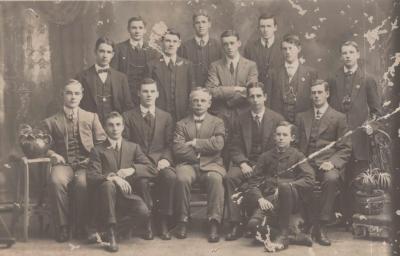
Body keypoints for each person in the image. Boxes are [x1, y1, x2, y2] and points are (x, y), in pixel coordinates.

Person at [41, 79, 106, 242]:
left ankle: (82, 225)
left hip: (85, 164)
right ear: (62, 95)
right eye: (69, 93)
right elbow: (42, 146)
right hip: (64, 164)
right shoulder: (50, 121)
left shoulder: (91, 117)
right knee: (56, 180)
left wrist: (92, 158)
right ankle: (63, 226)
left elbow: (102, 144)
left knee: (83, 184)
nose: (73, 97)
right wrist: (52, 154)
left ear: (82, 95)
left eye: (77, 93)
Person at [87, 111, 157, 252]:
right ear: (105, 128)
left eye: (118, 124)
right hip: (105, 197)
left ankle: (113, 231)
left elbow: (152, 169)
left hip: (127, 195)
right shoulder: (97, 150)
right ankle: (112, 234)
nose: (115, 128)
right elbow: (92, 176)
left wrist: (132, 169)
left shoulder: (133, 147)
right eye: (111, 125)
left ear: (123, 127)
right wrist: (113, 177)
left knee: (143, 212)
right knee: (108, 185)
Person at [224, 82, 284, 241]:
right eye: (252, 96)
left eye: (259, 96)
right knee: (231, 177)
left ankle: (264, 221)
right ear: (247, 98)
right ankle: (235, 223)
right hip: (246, 163)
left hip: (269, 165)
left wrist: (262, 164)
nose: (255, 100)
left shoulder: (276, 118)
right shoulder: (239, 119)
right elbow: (234, 146)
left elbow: (281, 146)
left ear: (265, 97)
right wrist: (243, 163)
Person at [296, 79, 352, 246]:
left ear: (327, 94)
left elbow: (346, 147)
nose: (316, 96)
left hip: (327, 164)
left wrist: (332, 163)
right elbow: (295, 144)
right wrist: (300, 161)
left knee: (331, 179)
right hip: (305, 163)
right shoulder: (301, 117)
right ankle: (306, 221)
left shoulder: (339, 117)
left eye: (320, 92)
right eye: (313, 92)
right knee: (298, 178)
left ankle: (321, 225)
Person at [244, 121, 314, 251]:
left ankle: (283, 236)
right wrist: (260, 198)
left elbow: (310, 178)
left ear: (292, 138)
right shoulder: (265, 156)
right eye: (278, 134)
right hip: (269, 200)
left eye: (285, 135)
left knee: (284, 187)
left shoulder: (297, 155)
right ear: (274, 137)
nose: (281, 137)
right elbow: (253, 182)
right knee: (252, 226)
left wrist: (288, 185)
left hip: (291, 201)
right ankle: (290, 237)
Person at [122, 78, 176, 240]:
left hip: (159, 163)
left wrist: (165, 159)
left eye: (152, 91)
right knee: (142, 182)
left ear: (157, 94)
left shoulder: (166, 117)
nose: (149, 95)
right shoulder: (128, 116)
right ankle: (148, 222)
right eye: (145, 91)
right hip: (138, 164)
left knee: (170, 176)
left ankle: (163, 220)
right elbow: (126, 144)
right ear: (138, 93)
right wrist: (136, 164)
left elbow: (169, 144)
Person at [173, 87, 226, 243]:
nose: (199, 104)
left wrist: (195, 143)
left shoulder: (218, 122)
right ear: (190, 103)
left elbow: (218, 145)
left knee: (215, 179)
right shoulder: (181, 124)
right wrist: (200, 154)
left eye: (203, 100)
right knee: (182, 178)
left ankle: (214, 222)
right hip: (188, 165)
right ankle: (182, 220)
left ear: (209, 103)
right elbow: (178, 149)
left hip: (212, 165)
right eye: (195, 100)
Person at [328, 41, 381, 180]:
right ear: (341, 56)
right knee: (338, 181)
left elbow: (377, 111)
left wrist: (371, 126)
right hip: (337, 139)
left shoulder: (368, 79)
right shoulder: (333, 79)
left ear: (358, 54)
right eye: (344, 53)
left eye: (351, 52)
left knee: (359, 181)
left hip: (359, 139)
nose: (348, 56)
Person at [205, 29, 258, 165]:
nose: (229, 47)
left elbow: (250, 91)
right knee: (221, 150)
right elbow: (210, 91)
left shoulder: (251, 66)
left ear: (239, 43)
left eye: (232, 43)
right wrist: (235, 89)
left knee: (243, 147)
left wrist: (226, 97)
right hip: (221, 115)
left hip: (244, 114)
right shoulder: (215, 66)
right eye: (225, 44)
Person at [76, 37, 134, 124]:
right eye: (101, 51)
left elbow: (128, 106)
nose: (105, 55)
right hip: (89, 126)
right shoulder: (81, 77)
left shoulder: (121, 78)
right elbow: (77, 106)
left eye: (109, 52)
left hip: (115, 128)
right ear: (95, 52)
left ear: (113, 54)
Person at [146, 29, 195, 122]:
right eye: (168, 41)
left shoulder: (187, 65)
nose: (171, 44)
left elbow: (192, 91)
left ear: (179, 43)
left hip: (182, 115)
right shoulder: (151, 66)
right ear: (162, 42)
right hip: (159, 115)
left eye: (174, 41)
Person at [111, 16, 160, 104]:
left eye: (140, 28)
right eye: (134, 28)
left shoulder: (153, 51)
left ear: (145, 30)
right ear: (128, 29)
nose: (137, 31)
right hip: (124, 95)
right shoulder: (119, 49)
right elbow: (114, 76)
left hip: (146, 97)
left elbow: (156, 77)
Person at [270, 34, 317, 123]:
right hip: (279, 122)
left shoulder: (310, 73)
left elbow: (314, 101)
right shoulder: (273, 73)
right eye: (284, 49)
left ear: (299, 49)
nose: (287, 52)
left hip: (303, 122)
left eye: (290, 48)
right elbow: (269, 102)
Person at [244, 14, 283, 98]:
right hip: (256, 94)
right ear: (258, 28)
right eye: (262, 26)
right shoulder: (250, 47)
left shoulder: (283, 47)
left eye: (269, 26)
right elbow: (245, 72)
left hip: (277, 93)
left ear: (275, 27)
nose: (265, 30)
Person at [178, 9, 221, 87]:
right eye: (197, 22)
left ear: (209, 24)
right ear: (193, 25)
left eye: (204, 22)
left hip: (214, 90)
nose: (201, 26)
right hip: (191, 90)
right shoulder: (184, 47)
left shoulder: (218, 45)